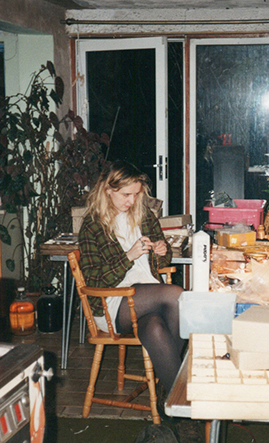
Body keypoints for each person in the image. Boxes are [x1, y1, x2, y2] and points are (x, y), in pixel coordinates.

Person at [78, 160, 185, 393]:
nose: (132, 201)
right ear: (108, 190)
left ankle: (170, 395)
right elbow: (94, 280)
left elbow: (160, 262)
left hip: (147, 297)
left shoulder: (144, 216)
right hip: (113, 303)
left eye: (136, 194)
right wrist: (128, 256)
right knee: (176, 296)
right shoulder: (93, 226)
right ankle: (178, 392)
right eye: (126, 195)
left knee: (155, 329)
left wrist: (161, 251)